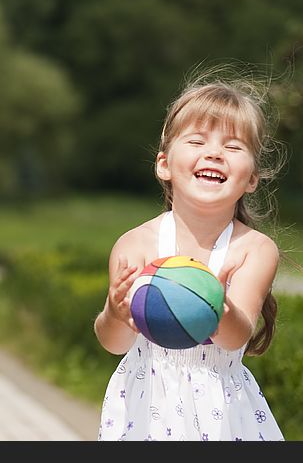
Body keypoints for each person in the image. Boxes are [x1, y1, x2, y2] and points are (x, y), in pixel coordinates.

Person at [95, 70, 285, 441]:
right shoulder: (137, 244)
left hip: (222, 410)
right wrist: (115, 314)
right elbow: (113, 344)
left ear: (251, 179)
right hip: (145, 405)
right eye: (197, 141)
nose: (214, 153)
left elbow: (235, 337)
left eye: (233, 147)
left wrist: (217, 304)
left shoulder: (253, 250)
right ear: (164, 164)